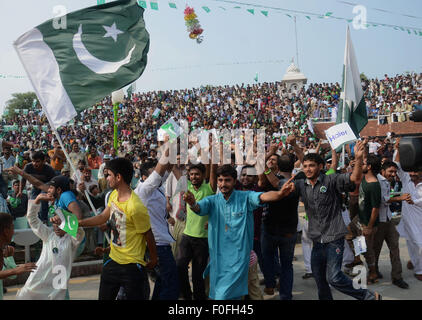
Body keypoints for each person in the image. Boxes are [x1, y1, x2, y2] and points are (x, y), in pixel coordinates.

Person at [281, 141, 381, 300]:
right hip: (317, 241)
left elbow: (355, 179)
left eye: (312, 165)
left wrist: (359, 158)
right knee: (320, 279)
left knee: (333, 277)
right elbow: (279, 187)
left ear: (320, 167)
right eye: (305, 166)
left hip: (334, 238)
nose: (307, 169)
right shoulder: (301, 185)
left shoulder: (331, 180)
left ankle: (368, 296)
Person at [183, 164, 295, 300]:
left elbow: (262, 197)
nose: (223, 184)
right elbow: (199, 209)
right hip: (219, 262)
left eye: (227, 180)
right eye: (220, 180)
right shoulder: (212, 201)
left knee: (226, 296)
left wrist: (279, 194)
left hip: (239, 261)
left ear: (235, 181)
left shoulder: (245, 197)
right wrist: (192, 203)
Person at [75, 158, 158, 300]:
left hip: (132, 267)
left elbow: (148, 234)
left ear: (118, 177)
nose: (106, 178)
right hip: (113, 262)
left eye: (109, 175)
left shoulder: (135, 206)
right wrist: (79, 223)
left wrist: (154, 259)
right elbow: (102, 217)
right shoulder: (114, 195)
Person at [16, 190, 85, 300]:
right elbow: (33, 220)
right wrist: (37, 200)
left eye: (60, 224)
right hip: (40, 279)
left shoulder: (72, 240)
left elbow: (79, 232)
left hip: (59, 282)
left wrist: (65, 222)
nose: (56, 227)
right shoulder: (48, 236)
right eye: (54, 224)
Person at [134, 139, 179, 300]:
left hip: (160, 242)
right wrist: (170, 143)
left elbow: (168, 166)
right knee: (171, 284)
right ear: (145, 176)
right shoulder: (143, 189)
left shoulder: (156, 187)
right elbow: (162, 166)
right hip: (157, 244)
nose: (159, 175)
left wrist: (175, 148)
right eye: (154, 174)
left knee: (162, 282)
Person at [258, 137, 302, 300]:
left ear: (277, 165)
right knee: (286, 265)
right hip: (289, 230)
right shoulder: (299, 182)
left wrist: (270, 152)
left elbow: (259, 165)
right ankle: (285, 295)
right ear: (292, 165)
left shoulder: (272, 179)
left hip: (270, 227)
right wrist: (295, 146)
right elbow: (305, 163)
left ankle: (270, 286)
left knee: (267, 258)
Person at [176, 162, 216, 300]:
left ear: (203, 175)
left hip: (203, 239)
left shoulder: (209, 188)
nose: (194, 176)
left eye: (197, 174)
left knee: (197, 274)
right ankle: (187, 295)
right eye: (191, 174)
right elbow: (174, 169)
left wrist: (213, 151)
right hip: (187, 235)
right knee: (180, 266)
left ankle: (199, 298)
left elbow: (213, 170)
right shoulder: (186, 187)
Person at [374, 161, 409, 288]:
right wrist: (401, 198)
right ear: (383, 171)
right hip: (378, 222)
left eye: (394, 172)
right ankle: (374, 271)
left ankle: (397, 277)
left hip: (388, 220)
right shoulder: (377, 180)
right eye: (390, 171)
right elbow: (385, 199)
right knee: (375, 250)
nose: (393, 174)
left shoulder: (387, 181)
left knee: (395, 249)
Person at [393, 139, 422, 282]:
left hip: (420, 220)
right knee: (413, 243)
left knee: (419, 245)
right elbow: (397, 165)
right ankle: (419, 269)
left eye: (416, 171)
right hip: (409, 220)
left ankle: (415, 262)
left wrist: (414, 201)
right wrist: (398, 149)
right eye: (410, 171)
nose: (412, 173)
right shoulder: (405, 179)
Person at [0, 212, 37, 300]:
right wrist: (15, 270)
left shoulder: (4, 249)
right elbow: (12, 274)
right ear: (5, 231)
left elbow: (11, 276)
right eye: (12, 228)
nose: (14, 232)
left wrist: (8, 258)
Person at [357, 154, 382, 284]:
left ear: (370, 167)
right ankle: (357, 264)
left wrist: (369, 227)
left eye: (364, 163)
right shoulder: (364, 178)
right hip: (360, 220)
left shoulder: (374, 185)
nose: (362, 165)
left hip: (368, 224)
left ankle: (372, 273)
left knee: (367, 250)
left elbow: (375, 208)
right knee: (357, 244)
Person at [19, 151, 57, 223]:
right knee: (33, 201)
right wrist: (20, 191)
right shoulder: (28, 167)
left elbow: (54, 182)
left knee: (43, 198)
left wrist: (52, 194)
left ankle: (44, 219)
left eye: (37, 161)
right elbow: (23, 179)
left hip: (46, 187)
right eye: (33, 161)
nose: (34, 164)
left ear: (43, 161)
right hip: (35, 187)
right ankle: (34, 220)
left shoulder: (49, 169)